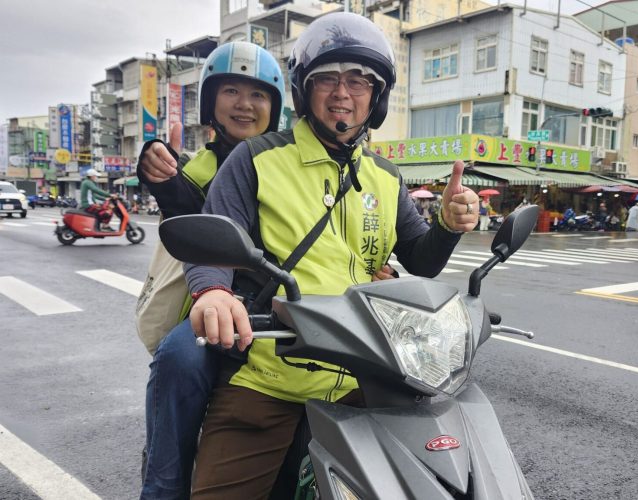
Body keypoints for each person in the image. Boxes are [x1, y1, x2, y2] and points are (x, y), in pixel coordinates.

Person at [184, 13, 479, 498]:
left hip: (367, 379)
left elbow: (421, 262)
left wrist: (447, 224)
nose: (343, 92)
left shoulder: (385, 177)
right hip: (269, 377)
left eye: (359, 80)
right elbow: (214, 238)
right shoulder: (257, 159)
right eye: (327, 79)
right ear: (305, 90)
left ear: (376, 95)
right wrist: (213, 292)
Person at [136, 41, 288, 499]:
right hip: (218, 304)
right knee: (180, 357)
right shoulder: (197, 170)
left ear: (275, 106)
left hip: (293, 300)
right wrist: (160, 176)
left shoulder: (291, 162)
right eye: (231, 91)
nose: (245, 104)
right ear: (210, 101)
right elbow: (188, 215)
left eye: (258, 94)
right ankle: (163, 486)